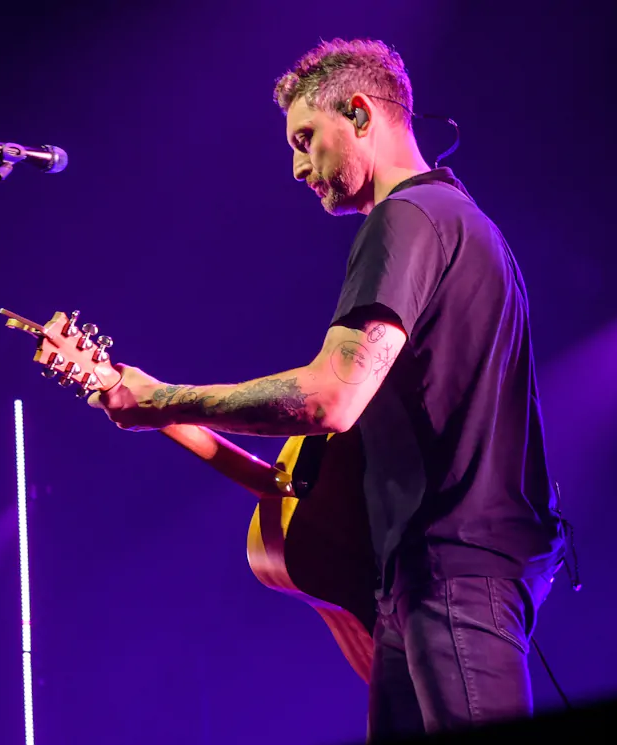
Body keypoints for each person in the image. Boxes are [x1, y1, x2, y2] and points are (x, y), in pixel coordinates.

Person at [85, 38, 566, 739]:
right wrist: (157, 406)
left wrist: (163, 399)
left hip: (453, 575)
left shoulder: (409, 218)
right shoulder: (463, 224)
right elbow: (304, 478)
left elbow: (326, 400)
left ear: (362, 114)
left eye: (307, 138)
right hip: (432, 579)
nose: (296, 165)